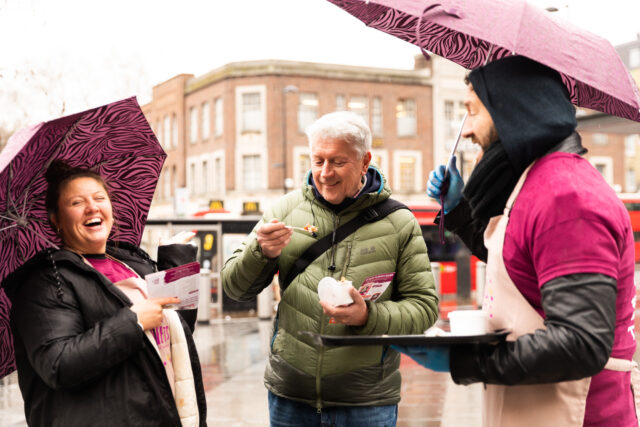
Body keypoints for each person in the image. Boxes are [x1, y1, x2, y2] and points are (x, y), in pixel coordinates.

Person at [394, 55, 637, 426]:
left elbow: (581, 342)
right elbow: (512, 263)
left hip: (579, 413)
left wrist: (465, 361)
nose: (469, 131)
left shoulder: (567, 199)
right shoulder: (536, 184)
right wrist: (458, 208)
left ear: (511, 110)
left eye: (473, 112)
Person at [221, 111, 439, 426]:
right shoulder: (285, 210)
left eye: (337, 162)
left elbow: (424, 308)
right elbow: (234, 287)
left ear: (365, 162)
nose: (325, 173)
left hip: (367, 402)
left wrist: (368, 317)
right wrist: (261, 252)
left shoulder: (399, 222)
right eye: (317, 160)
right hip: (291, 398)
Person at [2, 160, 207, 426]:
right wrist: (132, 322)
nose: (92, 207)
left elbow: (176, 332)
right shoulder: (46, 281)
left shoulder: (131, 262)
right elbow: (59, 365)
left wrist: (175, 261)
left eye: (100, 197)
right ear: (56, 220)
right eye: (76, 203)